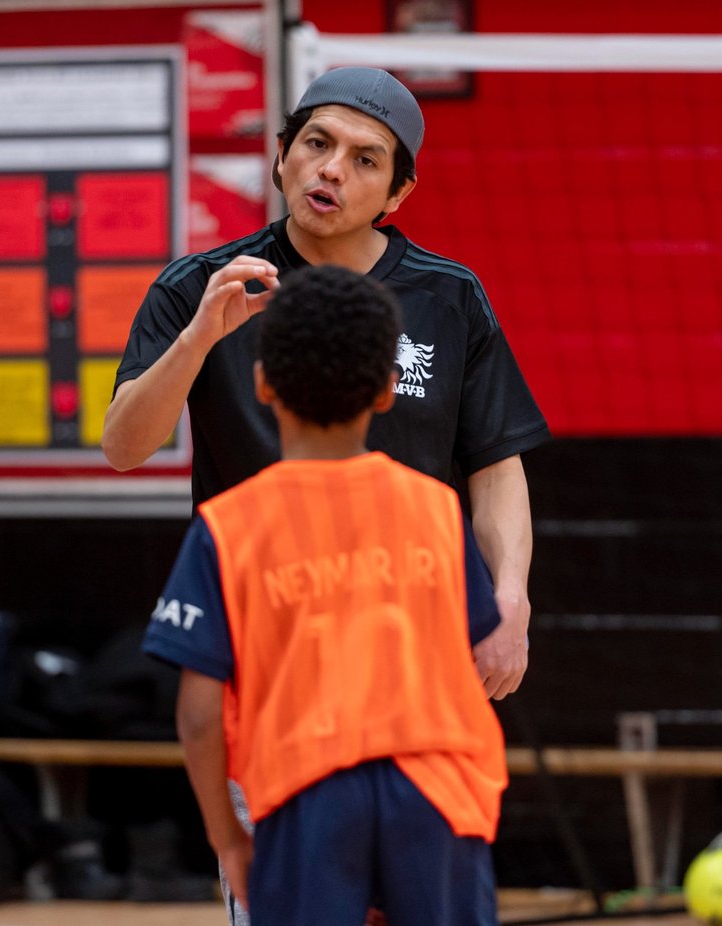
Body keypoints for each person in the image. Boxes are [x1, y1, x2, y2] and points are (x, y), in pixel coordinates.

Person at [104, 66, 549, 702]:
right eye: (317, 144)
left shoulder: (449, 296)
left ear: (398, 194)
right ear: (283, 154)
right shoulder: (200, 288)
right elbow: (124, 448)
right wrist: (198, 338)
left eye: (365, 159)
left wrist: (510, 602)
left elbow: (496, 466)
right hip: (264, 646)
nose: (332, 169)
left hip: (412, 642)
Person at [142, 266, 507, 925]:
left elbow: (198, 714)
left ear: (262, 385)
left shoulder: (229, 526)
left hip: (307, 794)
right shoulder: (437, 510)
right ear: (390, 391)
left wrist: (229, 838)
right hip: (439, 791)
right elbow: (472, 652)